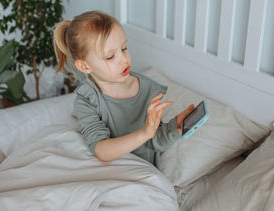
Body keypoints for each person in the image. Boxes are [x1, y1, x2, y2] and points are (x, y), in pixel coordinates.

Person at [53, 10, 194, 167]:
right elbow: (101, 150)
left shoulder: (147, 89)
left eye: (124, 48)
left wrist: (176, 128)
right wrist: (143, 133)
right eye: (110, 56)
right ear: (85, 66)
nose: (123, 60)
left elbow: (155, 141)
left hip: (140, 171)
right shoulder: (86, 99)